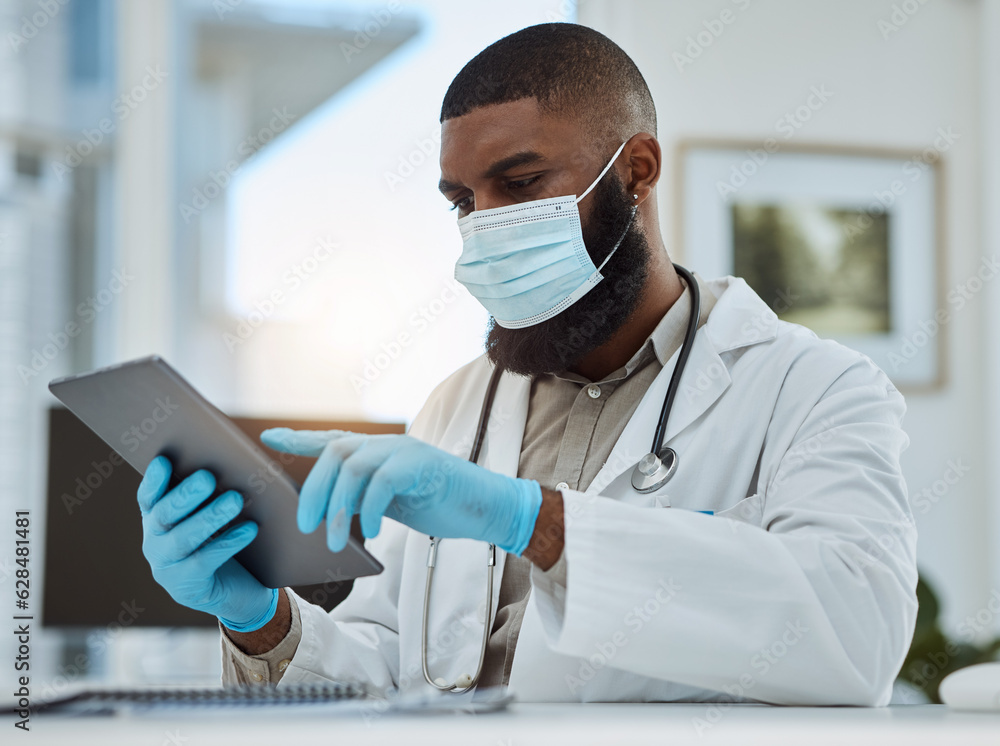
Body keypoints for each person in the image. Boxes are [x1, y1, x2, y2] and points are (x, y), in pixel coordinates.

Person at [135, 23, 917, 706]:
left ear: (637, 169)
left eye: (519, 183)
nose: (484, 227)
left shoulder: (816, 392)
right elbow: (385, 670)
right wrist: (262, 619)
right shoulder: (454, 406)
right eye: (462, 201)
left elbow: (859, 638)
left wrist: (530, 521)